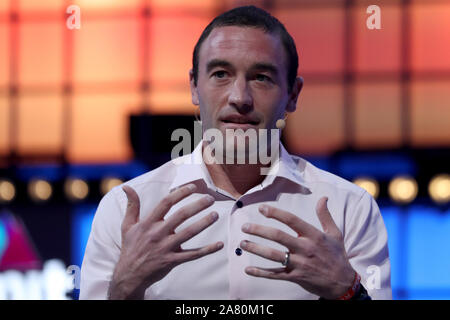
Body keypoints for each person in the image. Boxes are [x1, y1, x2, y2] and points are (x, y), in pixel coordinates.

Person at [79, 5, 391, 300]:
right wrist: (123, 289)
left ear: (293, 95)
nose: (239, 97)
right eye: (220, 74)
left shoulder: (349, 208)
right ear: (193, 87)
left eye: (261, 78)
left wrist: (347, 291)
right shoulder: (126, 208)